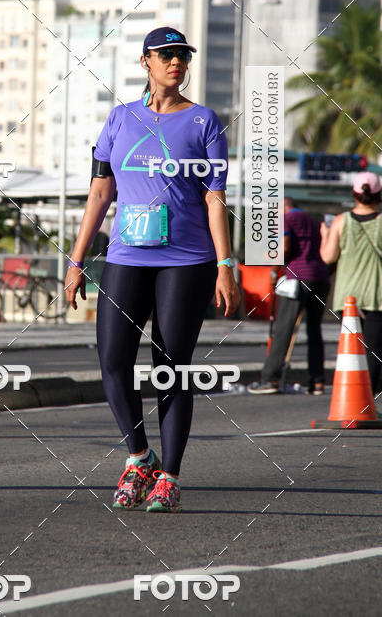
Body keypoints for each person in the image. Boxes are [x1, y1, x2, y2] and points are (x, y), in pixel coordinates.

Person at [64, 27, 240, 513]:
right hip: (126, 256)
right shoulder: (120, 120)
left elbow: (214, 197)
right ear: (146, 61)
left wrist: (225, 266)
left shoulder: (205, 121)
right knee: (114, 360)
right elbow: (100, 194)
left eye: (183, 55)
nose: (176, 63)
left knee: (171, 367)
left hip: (187, 260)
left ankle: (171, 476)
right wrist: (76, 260)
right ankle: (139, 457)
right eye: (167, 55)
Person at [249, 197, 330, 395]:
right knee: (314, 331)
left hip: (296, 278)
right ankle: (317, 381)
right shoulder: (312, 221)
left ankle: (270, 379)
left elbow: (284, 247)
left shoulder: (285, 219)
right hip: (320, 278)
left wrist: (274, 269)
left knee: (283, 329)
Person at [320, 172, 382, 394]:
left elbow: (328, 257)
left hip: (347, 298)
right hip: (376, 297)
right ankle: (368, 402)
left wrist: (325, 235)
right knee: (374, 352)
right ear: (379, 196)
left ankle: (353, 397)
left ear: (354, 194)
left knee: (352, 351)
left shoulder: (340, 221)